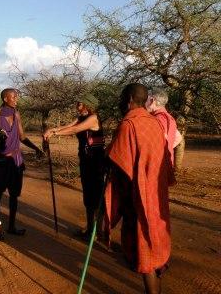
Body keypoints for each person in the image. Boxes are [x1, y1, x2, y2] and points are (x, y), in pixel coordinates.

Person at [105, 83, 175, 294]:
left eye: (121, 100)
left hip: (138, 199)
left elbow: (119, 164)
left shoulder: (128, 125)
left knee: (146, 256)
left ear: (128, 101)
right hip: (155, 195)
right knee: (153, 241)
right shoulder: (153, 123)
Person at [0, 88, 43, 239]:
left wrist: (36, 148)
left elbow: (21, 136)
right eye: (13, 97)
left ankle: (11, 226)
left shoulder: (16, 114)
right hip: (1, 160)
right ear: (5, 99)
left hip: (16, 160)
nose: (16, 99)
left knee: (14, 195)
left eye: (17, 96)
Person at [43, 93, 105, 238]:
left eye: (80, 103)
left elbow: (75, 130)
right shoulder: (81, 117)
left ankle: (97, 230)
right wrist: (52, 130)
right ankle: (91, 228)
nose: (77, 106)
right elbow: (68, 126)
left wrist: (55, 134)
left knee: (95, 195)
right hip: (85, 160)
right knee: (88, 196)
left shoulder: (93, 118)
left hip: (95, 161)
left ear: (88, 105)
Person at [146, 88, 182, 167]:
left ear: (152, 101)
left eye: (146, 99)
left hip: (158, 165)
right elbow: (178, 138)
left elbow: (158, 142)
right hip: (166, 163)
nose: (143, 103)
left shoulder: (157, 119)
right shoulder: (169, 118)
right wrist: (168, 149)